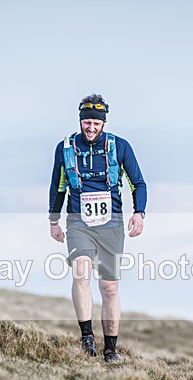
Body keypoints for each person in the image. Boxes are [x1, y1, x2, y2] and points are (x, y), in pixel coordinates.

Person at [48, 94, 147, 363]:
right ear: (80, 121)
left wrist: (139, 213)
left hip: (112, 223)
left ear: (103, 124)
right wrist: (53, 221)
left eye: (95, 123)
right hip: (78, 221)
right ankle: (87, 337)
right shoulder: (65, 148)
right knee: (81, 271)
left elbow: (138, 183)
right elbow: (58, 186)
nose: (90, 128)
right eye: (86, 122)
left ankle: (110, 349)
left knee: (109, 287)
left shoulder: (120, 147)